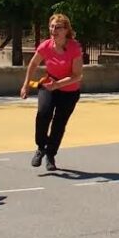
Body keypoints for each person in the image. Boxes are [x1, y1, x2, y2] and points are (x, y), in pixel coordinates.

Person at [21, 13, 84, 171]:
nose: (54, 30)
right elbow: (33, 64)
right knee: (43, 113)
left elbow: (77, 76)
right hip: (49, 85)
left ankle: (50, 155)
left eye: (58, 27)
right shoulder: (46, 46)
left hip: (69, 90)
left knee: (59, 124)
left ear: (66, 30)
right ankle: (41, 147)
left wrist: (59, 85)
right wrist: (26, 84)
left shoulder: (74, 47)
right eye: (51, 26)